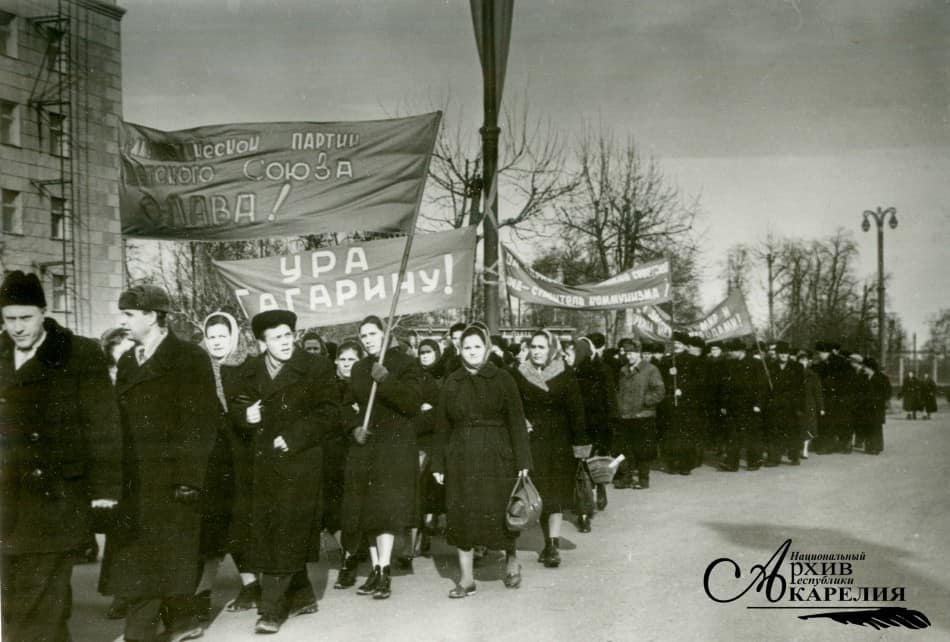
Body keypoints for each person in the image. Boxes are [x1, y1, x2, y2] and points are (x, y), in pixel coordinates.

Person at [0, 271, 122, 642]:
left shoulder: (78, 352)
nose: (17, 327)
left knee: (42, 599)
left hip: (57, 498)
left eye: (26, 318)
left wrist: (105, 491)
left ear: (43, 312)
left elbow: (103, 425)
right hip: (7, 500)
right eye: (9, 319)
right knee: (15, 598)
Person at [101, 284, 219, 642]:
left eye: (129, 315)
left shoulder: (189, 357)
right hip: (134, 477)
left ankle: (139, 632)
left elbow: (202, 422)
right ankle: (182, 623)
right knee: (147, 555)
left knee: (157, 558)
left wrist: (190, 477)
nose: (124, 322)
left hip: (172, 479)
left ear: (152, 316)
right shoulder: (127, 360)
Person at [224, 310, 336, 634]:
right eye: (277, 338)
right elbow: (238, 409)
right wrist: (247, 417)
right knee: (276, 528)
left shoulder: (315, 367)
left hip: (300, 461)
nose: (285, 342)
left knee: (286, 529)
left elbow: (329, 413)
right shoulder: (252, 371)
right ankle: (302, 597)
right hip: (263, 463)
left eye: (288, 335)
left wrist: (294, 437)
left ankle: (272, 609)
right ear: (263, 343)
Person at [432, 324, 532, 596]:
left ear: (487, 348)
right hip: (461, 456)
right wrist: (439, 464)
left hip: (497, 455)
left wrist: (523, 461)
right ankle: (466, 579)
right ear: (459, 350)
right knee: (461, 513)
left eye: (477, 346)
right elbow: (442, 427)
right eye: (467, 347)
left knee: (503, 511)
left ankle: (511, 560)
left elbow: (516, 423)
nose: (472, 352)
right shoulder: (452, 381)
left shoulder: (503, 379)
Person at [339, 315, 422, 600]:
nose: (368, 339)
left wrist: (386, 380)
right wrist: (353, 428)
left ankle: (385, 570)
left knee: (384, 509)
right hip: (366, 445)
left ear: (386, 334)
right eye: (364, 336)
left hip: (393, 446)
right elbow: (347, 405)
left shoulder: (404, 362)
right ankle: (375, 569)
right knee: (367, 510)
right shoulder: (360, 368)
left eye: (373, 333)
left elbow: (412, 403)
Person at [193, 312, 253, 622]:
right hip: (209, 460)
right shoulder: (196, 368)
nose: (217, 342)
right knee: (211, 529)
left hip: (241, 457)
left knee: (240, 525)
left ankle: (252, 585)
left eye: (222, 336)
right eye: (212, 336)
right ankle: (201, 594)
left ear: (233, 338)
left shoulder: (246, 367)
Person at [513, 330, 590, 564]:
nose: (537, 351)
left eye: (542, 347)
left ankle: (552, 545)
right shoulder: (518, 374)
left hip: (559, 444)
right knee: (537, 495)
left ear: (552, 349)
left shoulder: (564, 373)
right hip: (532, 443)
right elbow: (514, 406)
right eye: (534, 347)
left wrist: (580, 445)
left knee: (554, 495)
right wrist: (522, 423)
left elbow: (576, 411)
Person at [329, 340, 364, 590]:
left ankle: (349, 559)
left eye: (352, 360)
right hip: (333, 453)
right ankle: (349, 549)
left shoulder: (365, 387)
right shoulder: (329, 385)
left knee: (354, 508)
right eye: (343, 360)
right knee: (332, 511)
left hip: (357, 450)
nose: (347, 364)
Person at [612, 338, 665, 489]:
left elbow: (660, 391)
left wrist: (644, 402)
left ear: (639, 354)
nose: (629, 357)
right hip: (625, 416)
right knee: (625, 449)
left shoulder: (651, 370)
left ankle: (643, 479)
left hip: (643, 416)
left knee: (642, 449)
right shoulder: (623, 370)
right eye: (627, 353)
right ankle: (626, 478)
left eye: (632, 353)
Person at [573, 333, 616, 513]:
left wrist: (611, 422)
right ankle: (589, 497)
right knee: (584, 464)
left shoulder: (600, 370)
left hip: (595, 425)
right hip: (584, 425)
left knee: (590, 463)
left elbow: (610, 399)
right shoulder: (570, 371)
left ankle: (596, 492)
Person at [718, 339, 769, 472]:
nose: (730, 353)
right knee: (732, 435)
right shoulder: (729, 364)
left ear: (740, 351)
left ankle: (753, 461)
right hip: (733, 405)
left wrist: (758, 403)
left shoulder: (755, 363)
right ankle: (731, 463)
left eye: (732, 351)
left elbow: (761, 386)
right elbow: (725, 386)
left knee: (751, 434)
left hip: (750, 405)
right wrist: (724, 404)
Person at [764, 342, 804, 466]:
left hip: (792, 405)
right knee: (774, 431)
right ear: (777, 354)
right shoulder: (770, 366)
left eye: (785, 353)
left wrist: (800, 407)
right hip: (775, 404)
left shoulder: (797, 366)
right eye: (780, 353)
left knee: (792, 431)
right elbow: (766, 387)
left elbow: (801, 388)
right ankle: (773, 458)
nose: (783, 356)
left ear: (788, 354)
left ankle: (794, 456)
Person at [796, 351, 825, 459]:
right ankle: (797, 448)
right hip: (796, 405)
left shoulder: (813, 375)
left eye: (805, 360)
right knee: (798, 427)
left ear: (808, 362)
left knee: (808, 428)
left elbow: (818, 392)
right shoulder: (792, 373)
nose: (803, 362)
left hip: (809, 405)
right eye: (800, 360)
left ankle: (805, 449)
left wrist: (821, 407)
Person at [864, 357, 891, 454]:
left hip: (877, 407)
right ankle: (869, 447)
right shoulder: (865, 377)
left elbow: (888, 392)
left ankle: (876, 447)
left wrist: (878, 399)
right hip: (867, 407)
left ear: (870, 368)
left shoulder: (882, 378)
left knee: (876, 427)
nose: (864, 369)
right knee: (868, 426)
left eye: (865, 367)